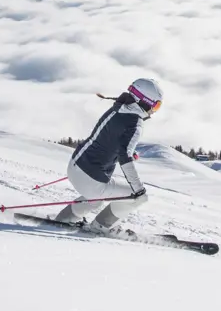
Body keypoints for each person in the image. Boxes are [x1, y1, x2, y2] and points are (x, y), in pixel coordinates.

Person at [53, 78, 164, 233]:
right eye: (156, 105)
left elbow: (110, 138)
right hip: (91, 180)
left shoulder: (118, 108)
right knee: (138, 197)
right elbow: (124, 157)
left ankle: (63, 219)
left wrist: (128, 152)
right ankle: (101, 226)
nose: (154, 110)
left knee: (95, 201)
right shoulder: (135, 123)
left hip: (75, 166)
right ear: (144, 101)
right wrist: (138, 189)